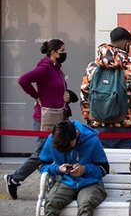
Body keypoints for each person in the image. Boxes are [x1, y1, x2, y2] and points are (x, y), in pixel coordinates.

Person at [4, 39, 78, 200]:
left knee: (55, 150)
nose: (65, 53)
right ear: (53, 53)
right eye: (62, 50)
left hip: (59, 115)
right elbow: (23, 80)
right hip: (45, 118)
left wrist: (67, 96)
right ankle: (14, 179)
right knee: (42, 154)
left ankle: (52, 182)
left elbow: (55, 88)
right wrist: (36, 96)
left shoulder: (56, 67)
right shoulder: (44, 68)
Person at [81, 27, 131, 149]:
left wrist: (92, 121)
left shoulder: (92, 68)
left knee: (100, 166)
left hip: (99, 129)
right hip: (126, 130)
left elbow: (84, 98)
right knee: (125, 166)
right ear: (127, 44)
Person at [39, 120, 108, 216]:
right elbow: (42, 166)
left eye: (70, 146)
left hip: (91, 183)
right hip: (65, 182)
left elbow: (104, 169)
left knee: (85, 205)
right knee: (51, 203)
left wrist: (84, 169)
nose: (67, 149)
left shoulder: (92, 140)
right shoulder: (53, 139)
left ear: (76, 134)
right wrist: (58, 169)